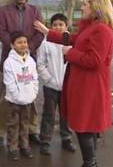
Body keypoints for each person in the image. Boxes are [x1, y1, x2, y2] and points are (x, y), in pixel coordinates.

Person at [34, 0, 113, 167]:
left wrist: (70, 53)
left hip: (90, 85)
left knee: (84, 126)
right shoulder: (92, 27)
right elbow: (73, 38)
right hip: (85, 84)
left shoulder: (101, 30)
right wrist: (49, 32)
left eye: (86, 3)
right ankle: (91, 161)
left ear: (95, 6)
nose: (83, 6)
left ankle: (90, 162)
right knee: (87, 125)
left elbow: (94, 60)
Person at [0, 0, 44, 146]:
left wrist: (28, 48)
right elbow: (3, 33)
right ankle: (0, 133)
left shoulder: (35, 11)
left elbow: (40, 33)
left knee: (31, 98)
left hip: (30, 59)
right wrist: (17, 48)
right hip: (9, 59)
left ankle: (31, 130)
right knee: (6, 98)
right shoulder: (2, 11)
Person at [36, 13, 76, 155]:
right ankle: (45, 141)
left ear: (66, 26)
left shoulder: (72, 42)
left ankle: (66, 138)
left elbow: (75, 63)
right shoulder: (45, 44)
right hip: (51, 87)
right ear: (50, 26)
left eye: (61, 25)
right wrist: (48, 80)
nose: (58, 27)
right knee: (49, 114)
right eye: (55, 25)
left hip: (67, 87)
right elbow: (40, 64)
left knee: (66, 114)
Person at [3, 31, 39, 161]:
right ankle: (13, 148)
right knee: (13, 125)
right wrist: (18, 97)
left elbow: (35, 78)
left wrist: (33, 93)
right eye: (19, 42)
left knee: (25, 124)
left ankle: (24, 145)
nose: (23, 45)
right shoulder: (9, 62)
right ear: (13, 45)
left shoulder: (31, 61)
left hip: (28, 100)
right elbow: (9, 82)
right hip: (14, 101)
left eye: (25, 42)